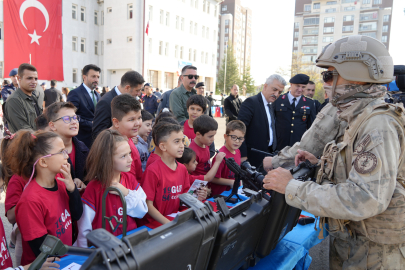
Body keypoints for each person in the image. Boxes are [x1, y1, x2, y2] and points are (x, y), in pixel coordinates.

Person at [263, 35, 403, 269]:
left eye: (329, 75)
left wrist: (291, 187)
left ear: (356, 78)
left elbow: (365, 198)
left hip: (373, 255)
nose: (324, 82)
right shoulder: (359, 116)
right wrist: (319, 164)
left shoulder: (377, 123)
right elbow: (358, 174)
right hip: (356, 244)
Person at [9, 131, 82, 264]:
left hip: (64, 259)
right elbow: (42, 249)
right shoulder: (30, 201)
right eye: (61, 152)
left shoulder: (60, 182)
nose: (67, 156)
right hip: (47, 264)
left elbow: (77, 214)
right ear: (43, 162)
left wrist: (72, 189)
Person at [76, 130, 148, 247]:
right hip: (104, 249)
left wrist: (126, 192)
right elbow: (84, 229)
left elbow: (142, 211)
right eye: (123, 156)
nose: (130, 159)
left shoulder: (130, 179)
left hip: (130, 243)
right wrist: (84, 256)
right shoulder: (94, 187)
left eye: (129, 153)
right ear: (107, 159)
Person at [140, 123, 192, 225]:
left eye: (182, 140)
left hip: (174, 220)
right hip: (155, 225)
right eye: (176, 141)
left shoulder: (182, 169)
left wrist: (197, 196)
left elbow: (185, 197)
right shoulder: (152, 171)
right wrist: (169, 224)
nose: (182, 145)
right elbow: (148, 205)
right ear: (163, 146)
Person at [238, 74, 286, 168]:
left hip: (268, 156)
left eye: (279, 92)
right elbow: (239, 130)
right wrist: (243, 157)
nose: (276, 94)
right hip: (252, 158)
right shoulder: (251, 102)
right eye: (274, 89)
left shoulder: (271, 105)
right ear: (265, 86)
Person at [92, 71, 144, 141]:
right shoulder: (106, 102)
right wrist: (122, 139)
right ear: (127, 88)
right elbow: (98, 133)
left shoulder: (130, 99)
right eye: (137, 90)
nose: (139, 93)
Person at [45, 102, 88, 186]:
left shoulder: (83, 148)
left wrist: (84, 186)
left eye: (75, 118)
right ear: (52, 125)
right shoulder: (47, 153)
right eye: (67, 119)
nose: (74, 122)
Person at [272, 74, 316, 151]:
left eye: (303, 87)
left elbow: (311, 127)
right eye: (298, 86)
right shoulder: (278, 100)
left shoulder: (309, 103)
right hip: (280, 145)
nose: (300, 89)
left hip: (298, 146)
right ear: (291, 85)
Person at [110, 94, 143, 183]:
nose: (138, 123)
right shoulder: (112, 145)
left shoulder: (127, 136)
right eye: (131, 120)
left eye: (139, 118)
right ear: (116, 122)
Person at [67, 64, 101, 148]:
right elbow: (71, 116)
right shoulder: (75, 93)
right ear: (84, 77)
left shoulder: (97, 95)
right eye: (93, 76)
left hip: (97, 140)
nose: (96, 79)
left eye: (98, 77)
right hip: (82, 141)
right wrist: (91, 124)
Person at [210, 120, 246, 197]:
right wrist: (231, 182)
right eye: (234, 137)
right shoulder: (221, 156)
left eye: (240, 138)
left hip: (232, 194)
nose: (237, 141)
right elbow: (212, 178)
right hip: (219, 196)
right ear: (225, 136)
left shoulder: (238, 151)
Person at [4, 64, 42, 133]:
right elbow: (24, 130)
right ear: (19, 78)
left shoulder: (33, 97)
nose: (34, 82)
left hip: (38, 141)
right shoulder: (14, 100)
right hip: (26, 142)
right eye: (29, 78)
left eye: (36, 79)